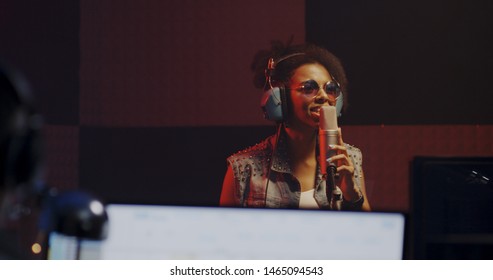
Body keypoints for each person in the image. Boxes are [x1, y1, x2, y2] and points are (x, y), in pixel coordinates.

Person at [220, 42, 371, 211]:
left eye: (330, 88)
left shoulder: (350, 159)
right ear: (280, 99)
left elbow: (369, 232)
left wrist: (352, 195)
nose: (323, 96)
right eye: (308, 88)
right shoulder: (243, 168)